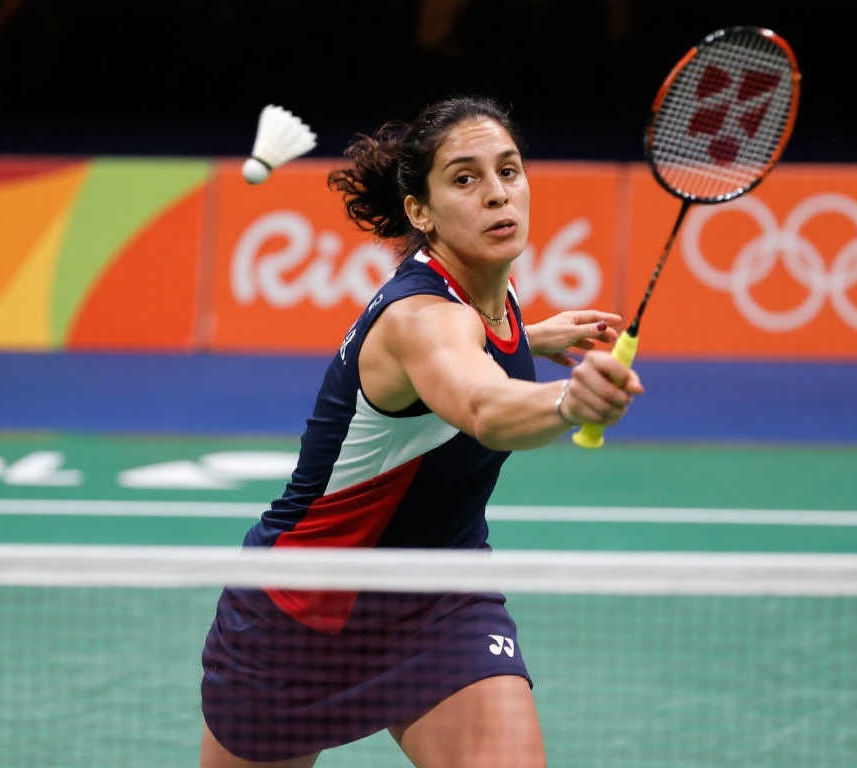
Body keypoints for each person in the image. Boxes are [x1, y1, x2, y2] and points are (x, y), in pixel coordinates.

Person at [199, 95, 644, 768]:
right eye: (465, 179)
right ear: (421, 211)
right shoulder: (421, 321)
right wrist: (568, 401)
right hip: (303, 610)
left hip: (438, 591)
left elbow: (475, 352)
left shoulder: (488, 287)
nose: (497, 194)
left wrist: (530, 337)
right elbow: (483, 406)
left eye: (508, 170)